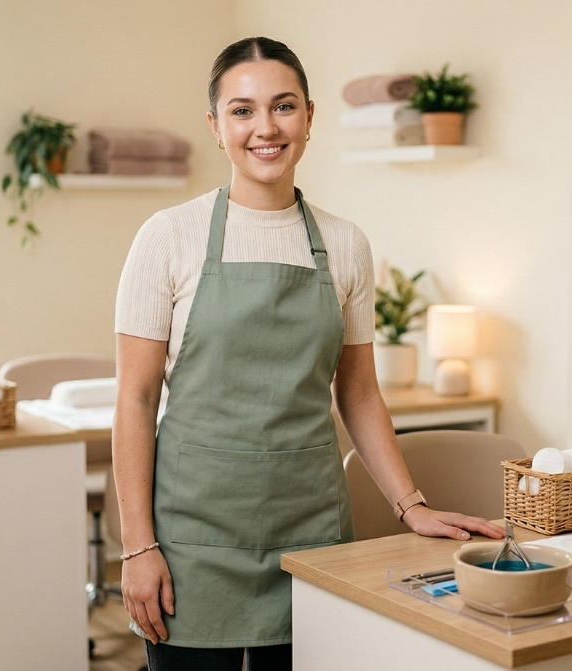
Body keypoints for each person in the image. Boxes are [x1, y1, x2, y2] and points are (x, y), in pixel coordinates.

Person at [111, 36, 504, 670]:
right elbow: (135, 397)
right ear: (215, 127)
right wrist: (137, 547)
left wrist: (413, 506)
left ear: (310, 117)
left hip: (311, 533)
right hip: (191, 539)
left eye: (283, 106)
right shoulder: (167, 238)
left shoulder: (346, 245)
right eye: (242, 111)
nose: (265, 128)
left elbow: (359, 391)